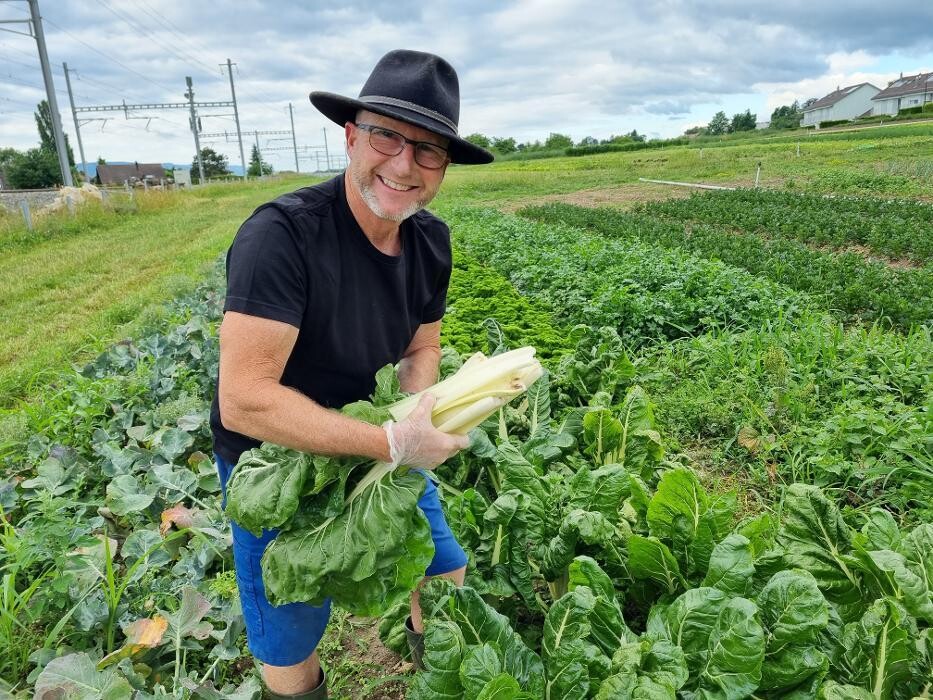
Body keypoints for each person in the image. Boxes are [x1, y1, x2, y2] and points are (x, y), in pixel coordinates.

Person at [209, 49, 494, 699]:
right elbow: (245, 403)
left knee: (444, 571)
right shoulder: (281, 236)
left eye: (428, 151)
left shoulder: (431, 242)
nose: (403, 164)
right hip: (276, 459)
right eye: (386, 135)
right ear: (350, 135)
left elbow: (422, 349)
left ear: (444, 167)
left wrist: (414, 414)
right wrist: (391, 443)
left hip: (380, 439)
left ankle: (436, 676)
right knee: (289, 620)